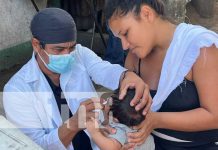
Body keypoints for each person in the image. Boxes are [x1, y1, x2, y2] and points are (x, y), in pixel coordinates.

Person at [3, 8, 152, 150]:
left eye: (71, 47)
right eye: (59, 49)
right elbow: (35, 145)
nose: (67, 55)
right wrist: (73, 124)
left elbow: (104, 70)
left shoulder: (79, 53)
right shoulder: (17, 91)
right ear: (36, 45)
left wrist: (126, 76)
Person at [105, 0, 218, 149]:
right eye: (119, 38)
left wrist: (157, 120)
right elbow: (128, 109)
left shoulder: (199, 47)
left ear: (147, 14)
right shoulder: (134, 58)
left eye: (126, 33)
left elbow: (214, 115)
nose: (124, 45)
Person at [86, 89, 155, 150]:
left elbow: (111, 148)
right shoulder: (138, 117)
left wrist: (95, 132)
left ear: (115, 120)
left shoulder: (120, 130)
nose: (104, 102)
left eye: (107, 104)